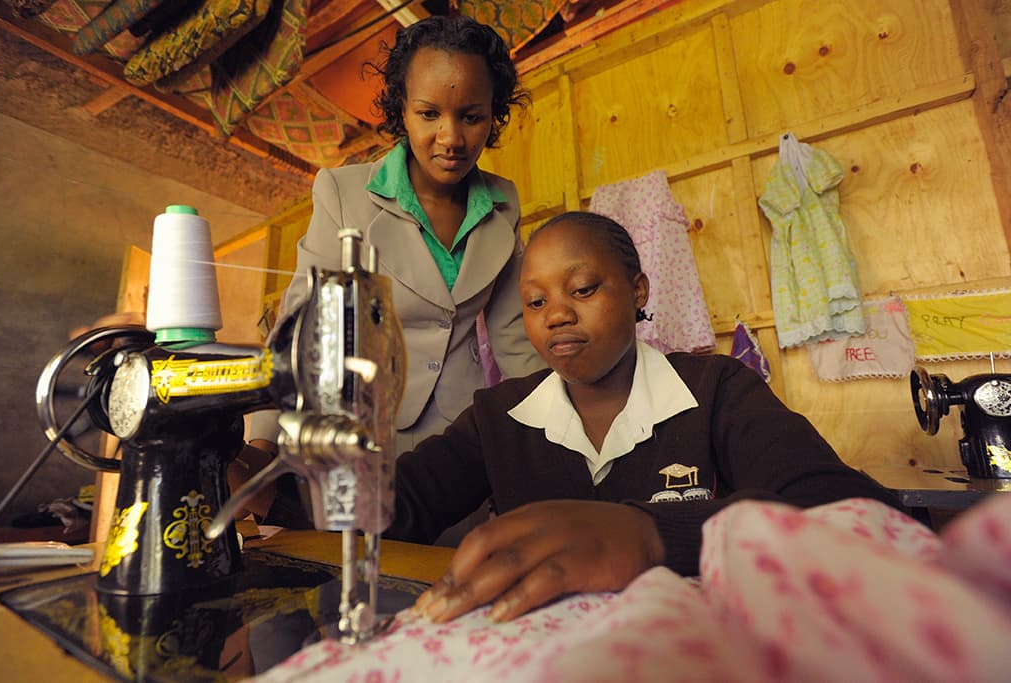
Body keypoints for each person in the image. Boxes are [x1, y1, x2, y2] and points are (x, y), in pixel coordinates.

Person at [382, 210, 902, 624]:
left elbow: (849, 511)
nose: (556, 314)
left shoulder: (715, 389)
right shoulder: (498, 416)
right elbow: (394, 504)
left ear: (638, 292)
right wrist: (310, 472)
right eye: (535, 302)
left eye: (582, 289)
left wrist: (651, 533)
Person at [236, 14, 546, 525]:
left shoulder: (502, 203)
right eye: (429, 114)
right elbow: (304, 327)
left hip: (458, 449)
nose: (451, 138)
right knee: (352, 582)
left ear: (494, 114)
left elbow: (514, 337)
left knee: (441, 585)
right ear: (401, 110)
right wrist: (263, 441)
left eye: (471, 116)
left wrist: (560, 426)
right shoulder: (343, 194)